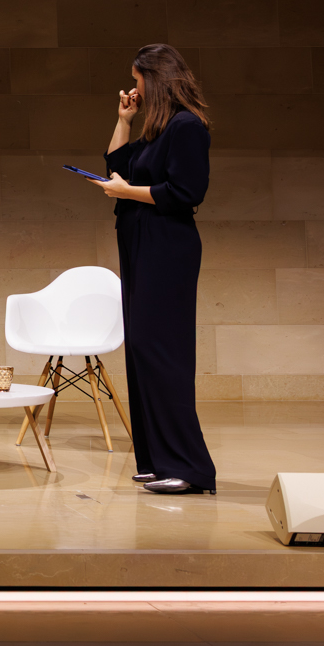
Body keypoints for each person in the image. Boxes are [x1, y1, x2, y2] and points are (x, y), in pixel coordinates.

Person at [91, 43, 217, 495]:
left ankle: (190, 467)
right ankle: (156, 459)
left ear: (155, 78)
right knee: (143, 349)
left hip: (167, 246)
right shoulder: (158, 129)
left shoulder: (187, 126)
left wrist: (128, 193)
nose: (134, 88)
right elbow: (117, 166)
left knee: (164, 353)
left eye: (137, 80)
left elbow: (186, 192)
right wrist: (124, 120)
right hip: (141, 242)